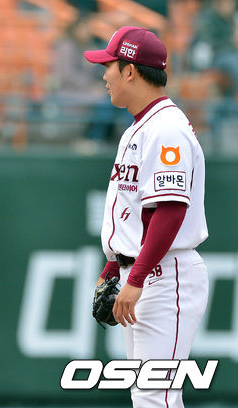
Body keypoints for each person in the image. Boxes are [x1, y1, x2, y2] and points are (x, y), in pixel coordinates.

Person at [84, 26, 208, 407]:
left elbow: (170, 211)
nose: (104, 75)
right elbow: (135, 212)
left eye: (108, 66)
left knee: (157, 395)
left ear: (130, 71)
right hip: (144, 270)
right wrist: (114, 267)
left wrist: (135, 277)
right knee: (147, 394)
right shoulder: (141, 127)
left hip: (164, 274)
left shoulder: (166, 129)